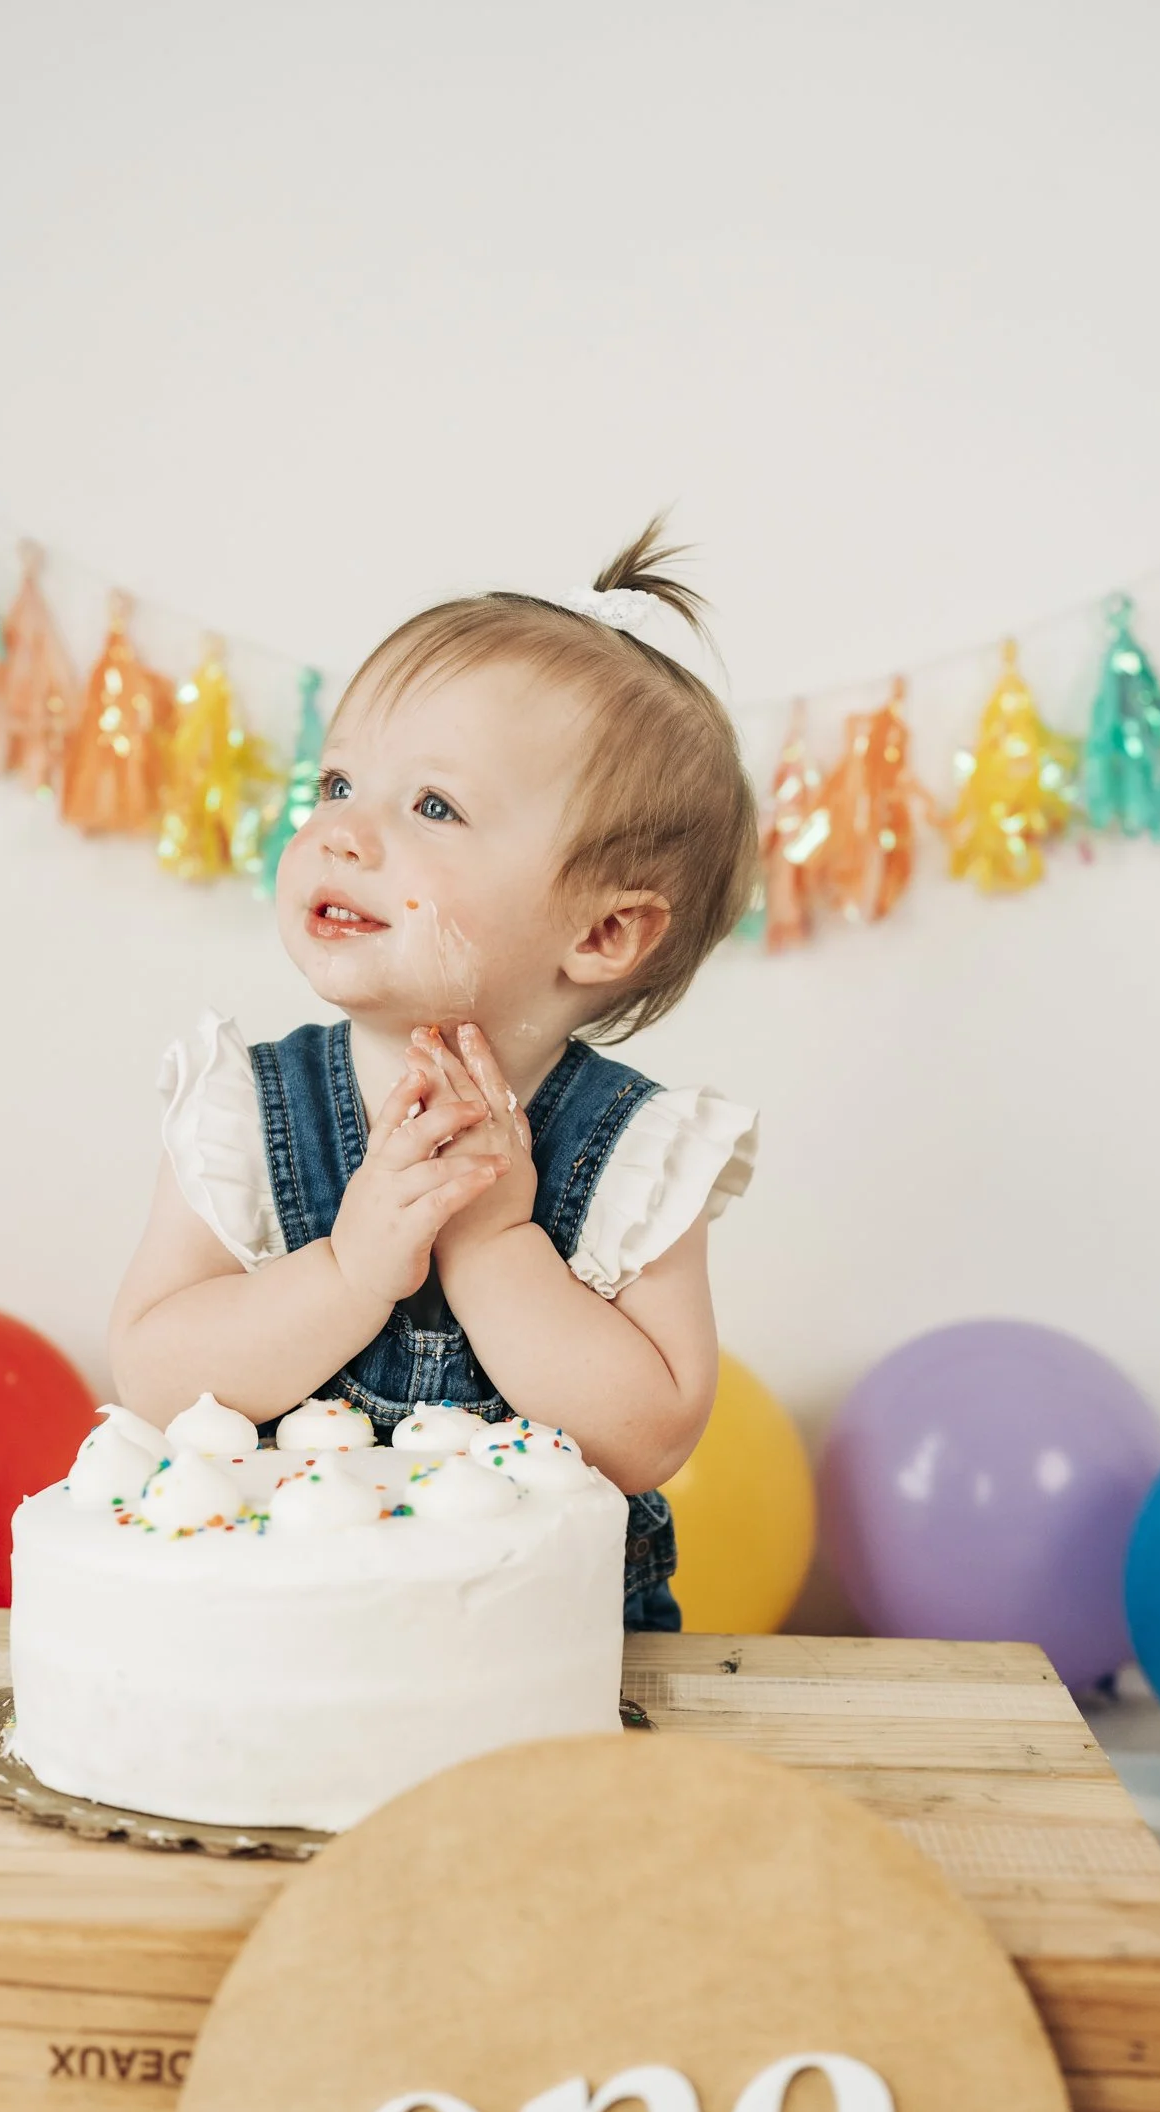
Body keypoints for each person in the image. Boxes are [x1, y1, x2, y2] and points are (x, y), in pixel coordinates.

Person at [110, 518, 759, 1630]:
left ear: (602, 934)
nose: (342, 834)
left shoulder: (639, 1157)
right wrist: (352, 1270)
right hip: (284, 1650)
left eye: (432, 807)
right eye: (337, 782)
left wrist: (496, 1246)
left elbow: (647, 1437)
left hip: (547, 1679)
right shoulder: (239, 1107)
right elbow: (156, 1375)